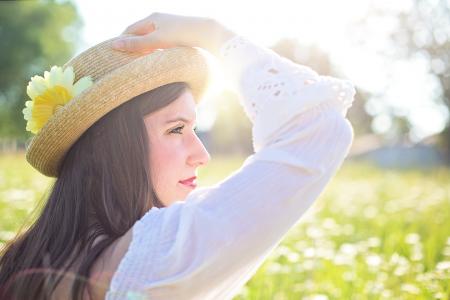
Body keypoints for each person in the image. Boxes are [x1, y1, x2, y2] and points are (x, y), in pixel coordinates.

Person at [0, 12, 355, 300]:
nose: (201, 155)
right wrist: (214, 34)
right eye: (175, 129)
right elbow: (321, 128)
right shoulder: (156, 257)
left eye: (194, 130)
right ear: (111, 147)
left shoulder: (23, 258)